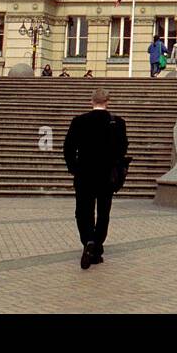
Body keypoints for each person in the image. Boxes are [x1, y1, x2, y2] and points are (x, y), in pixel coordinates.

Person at [63, 89, 129, 270]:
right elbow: (123, 148)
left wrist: (74, 168)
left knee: (83, 211)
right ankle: (97, 247)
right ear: (108, 101)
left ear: (91, 101)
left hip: (84, 173)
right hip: (107, 175)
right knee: (103, 212)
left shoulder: (79, 121)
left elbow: (68, 148)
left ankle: (88, 241)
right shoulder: (117, 122)